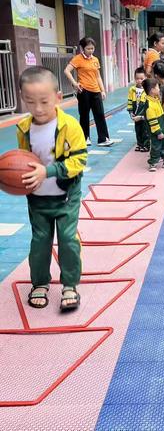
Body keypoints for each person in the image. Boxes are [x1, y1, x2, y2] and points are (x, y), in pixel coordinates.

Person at [18, 66, 86, 310]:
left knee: (67, 239)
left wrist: (48, 171)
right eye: (30, 102)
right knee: (39, 241)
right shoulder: (24, 128)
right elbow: (22, 161)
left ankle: (69, 284)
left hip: (66, 196)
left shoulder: (70, 126)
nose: (37, 108)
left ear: (58, 97)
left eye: (44, 102)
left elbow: (79, 161)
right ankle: (40, 283)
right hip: (37, 198)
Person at [64, 37, 112, 147]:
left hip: (96, 91)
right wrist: (75, 84)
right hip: (84, 91)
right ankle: (85, 138)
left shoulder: (95, 60)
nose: (91, 50)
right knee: (84, 115)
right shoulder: (77, 59)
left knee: (100, 114)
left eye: (92, 48)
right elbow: (66, 70)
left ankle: (103, 139)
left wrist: (103, 90)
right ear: (82, 48)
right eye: (88, 48)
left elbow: (98, 76)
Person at [136, 78, 164, 172]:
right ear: (152, 90)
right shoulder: (149, 105)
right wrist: (158, 132)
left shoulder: (155, 100)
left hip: (162, 128)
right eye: (157, 87)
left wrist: (163, 129)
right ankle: (153, 162)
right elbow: (152, 121)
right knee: (156, 146)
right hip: (156, 131)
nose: (159, 89)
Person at [127, 67, 149, 152]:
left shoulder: (147, 89)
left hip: (143, 112)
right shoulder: (132, 89)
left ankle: (146, 145)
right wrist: (130, 111)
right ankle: (140, 144)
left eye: (141, 79)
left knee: (145, 130)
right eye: (137, 79)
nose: (139, 81)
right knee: (137, 130)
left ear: (146, 78)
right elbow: (129, 101)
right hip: (135, 112)